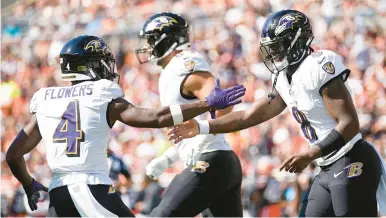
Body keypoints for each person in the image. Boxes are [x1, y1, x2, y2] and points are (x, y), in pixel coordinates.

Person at [169, 9, 386, 217]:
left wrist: (310, 153)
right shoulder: (283, 78)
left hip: (352, 159)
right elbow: (249, 116)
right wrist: (202, 127)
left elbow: (349, 123)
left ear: (297, 41)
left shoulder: (318, 65)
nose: (273, 53)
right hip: (327, 166)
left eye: (278, 46)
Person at [5, 35, 246, 217]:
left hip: (58, 195)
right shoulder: (101, 93)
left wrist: (29, 183)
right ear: (92, 65)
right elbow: (156, 118)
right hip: (90, 189)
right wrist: (207, 103)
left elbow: (14, 155)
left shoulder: (46, 98)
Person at [135, 12, 243, 217]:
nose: (147, 46)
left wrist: (205, 129)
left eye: (150, 40)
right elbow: (190, 128)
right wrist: (168, 157)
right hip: (218, 161)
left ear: (167, 39)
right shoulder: (172, 71)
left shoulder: (183, 65)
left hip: (212, 160)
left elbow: (222, 105)